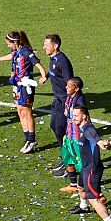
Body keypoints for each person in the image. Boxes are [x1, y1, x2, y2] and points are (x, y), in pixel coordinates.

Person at [0, 30, 47, 153]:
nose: (8, 46)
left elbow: (38, 64)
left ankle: (32, 139)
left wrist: (43, 76)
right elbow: (12, 56)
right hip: (16, 84)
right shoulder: (17, 51)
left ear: (15, 42)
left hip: (25, 85)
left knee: (26, 111)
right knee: (19, 111)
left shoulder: (26, 51)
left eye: (9, 44)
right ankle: (27, 139)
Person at [70, 105, 111, 221]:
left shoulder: (88, 129)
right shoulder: (81, 128)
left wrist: (100, 143)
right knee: (80, 186)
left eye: (76, 115)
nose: (73, 117)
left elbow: (95, 138)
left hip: (92, 169)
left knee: (94, 199)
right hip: (86, 167)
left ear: (84, 116)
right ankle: (83, 206)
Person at [41, 34, 74, 171]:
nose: (44, 47)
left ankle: (69, 159)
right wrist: (46, 77)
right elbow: (53, 70)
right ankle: (64, 154)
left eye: (46, 45)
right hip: (57, 99)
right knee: (54, 126)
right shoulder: (53, 58)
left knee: (61, 128)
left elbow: (70, 82)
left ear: (55, 46)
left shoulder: (62, 61)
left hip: (64, 100)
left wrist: (69, 104)